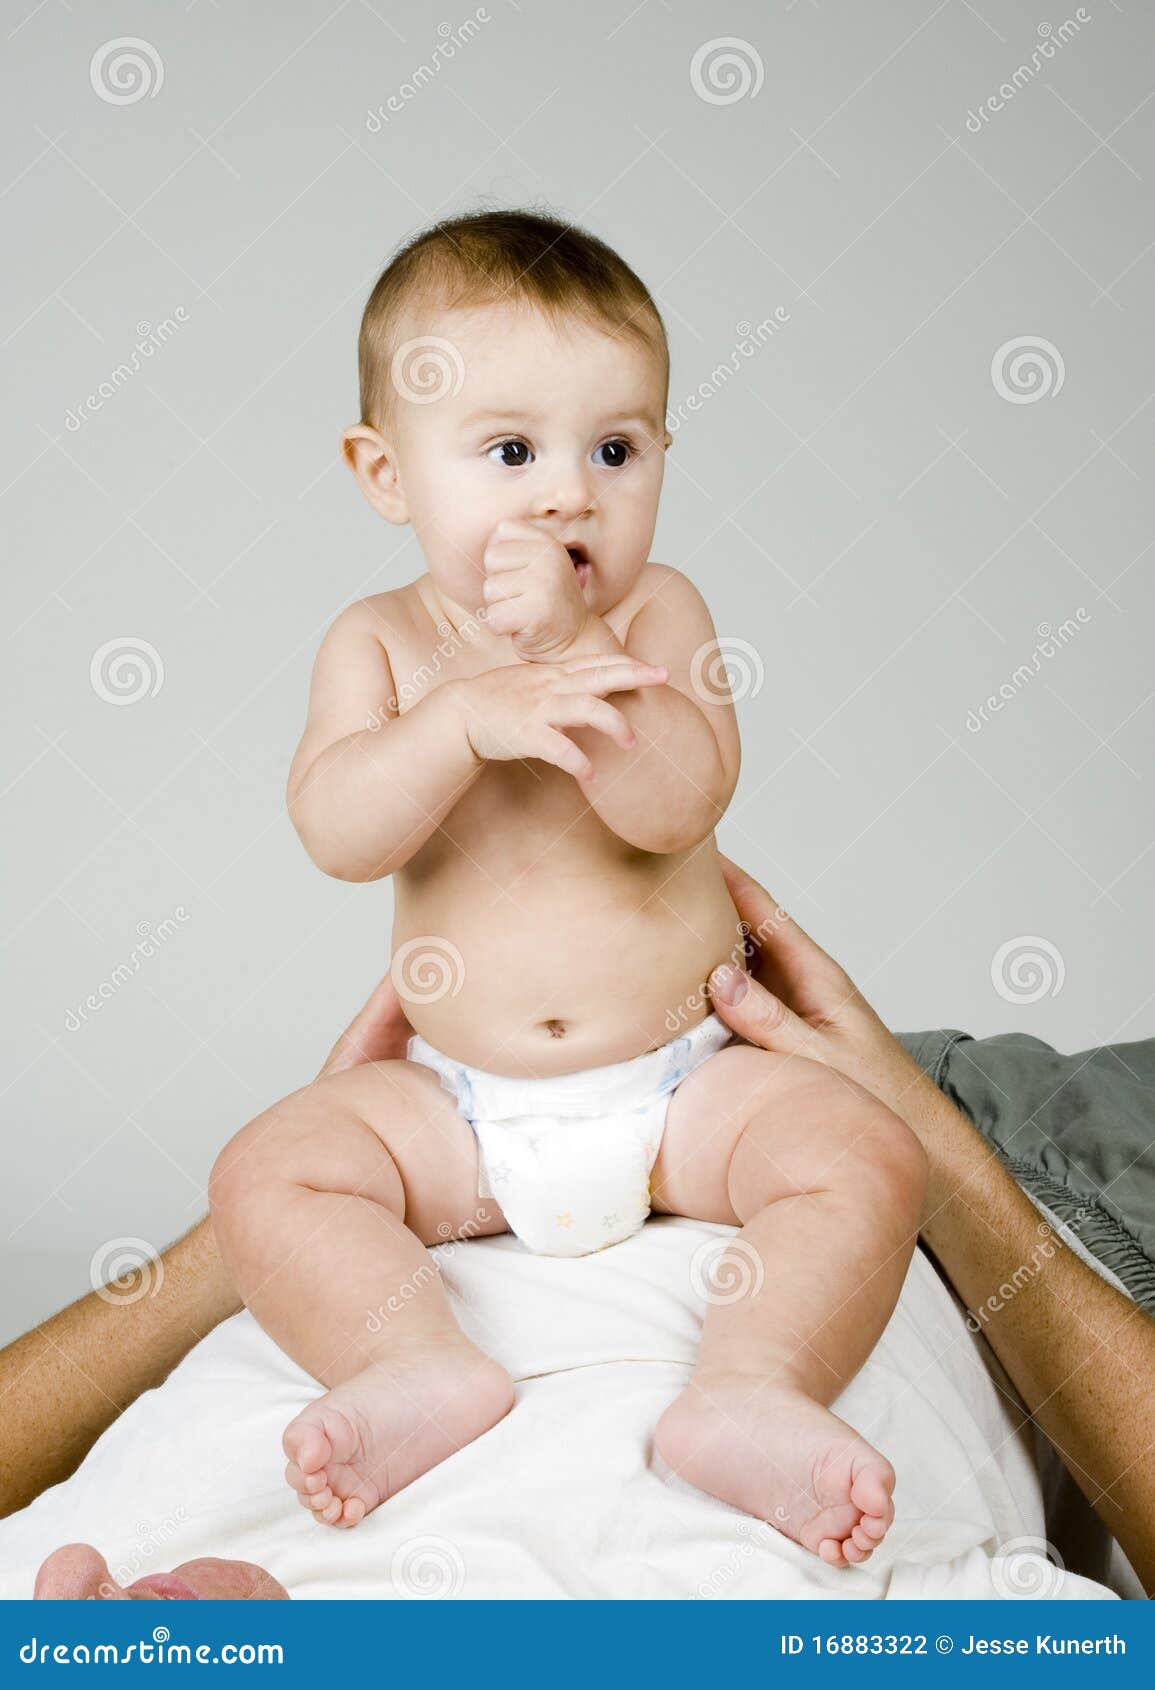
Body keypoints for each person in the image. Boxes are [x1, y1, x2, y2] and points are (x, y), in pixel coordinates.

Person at [208, 207, 925, 1561]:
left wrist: (581, 646)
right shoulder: (377, 641)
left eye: (614, 448)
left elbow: (680, 804)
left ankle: (747, 1388)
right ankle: (411, 1360)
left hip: (678, 1090)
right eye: (509, 451)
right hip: (461, 1113)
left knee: (861, 1157)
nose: (564, 495)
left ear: (660, 452)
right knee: (268, 1172)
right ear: (385, 470)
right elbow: (334, 826)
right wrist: (456, 725)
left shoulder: (657, 615)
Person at [6, 860, 1154, 1594]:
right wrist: (938, 1160)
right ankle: (755, 1381)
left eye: (603, 456)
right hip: (1013, 1196)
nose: (554, 502)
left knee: (267, 1174)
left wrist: (268, 1235)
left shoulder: (119, 1546)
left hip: (620, 1125)